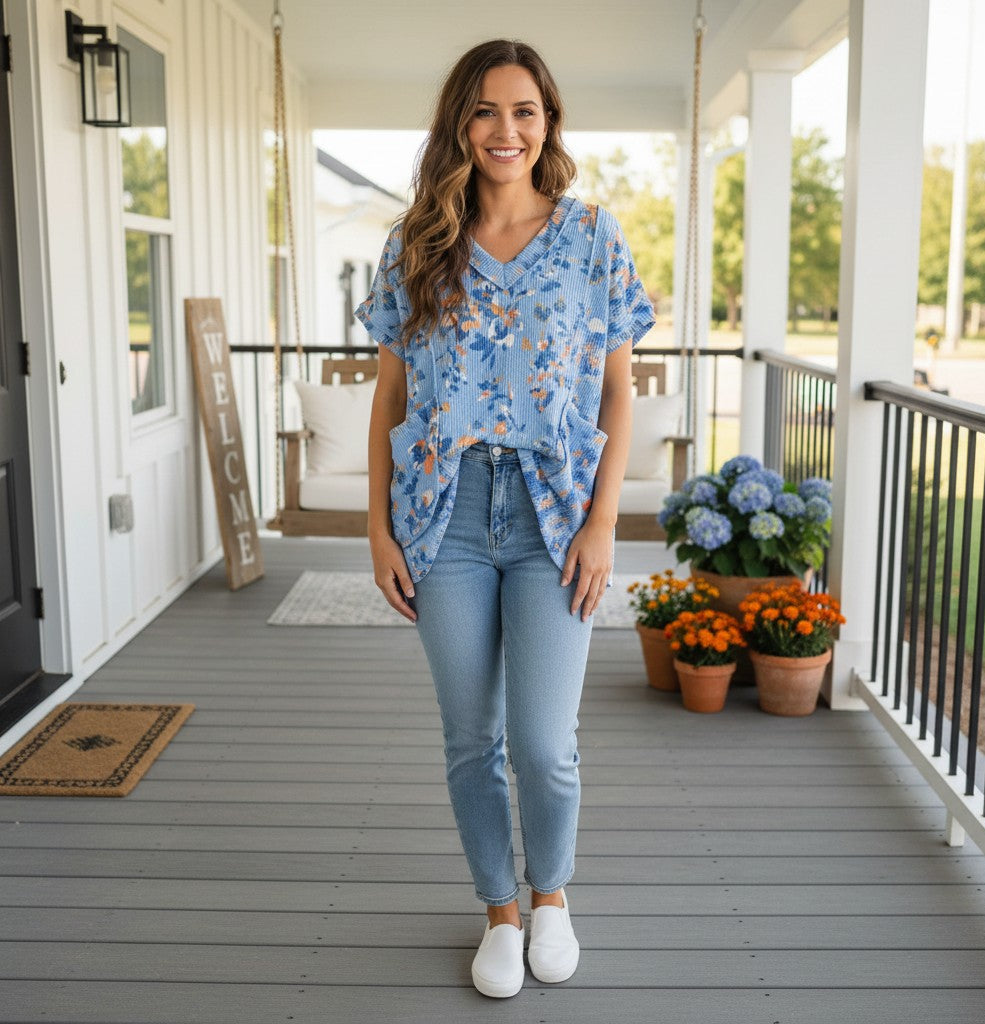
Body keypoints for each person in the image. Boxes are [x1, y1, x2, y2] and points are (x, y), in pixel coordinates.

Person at [356, 38, 655, 999]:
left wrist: (604, 521)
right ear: (460, 125)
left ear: (548, 124)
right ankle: (498, 910)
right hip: (441, 515)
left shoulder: (594, 238)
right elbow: (387, 399)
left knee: (542, 741)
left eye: (524, 110)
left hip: (555, 515)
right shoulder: (416, 244)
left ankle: (553, 896)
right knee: (468, 736)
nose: (506, 129)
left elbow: (620, 391)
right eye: (486, 111)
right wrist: (376, 528)